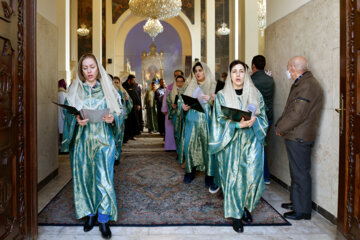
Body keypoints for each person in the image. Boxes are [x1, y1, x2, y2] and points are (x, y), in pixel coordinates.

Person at [61, 53, 123, 239]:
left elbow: (120, 113)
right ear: (81, 70)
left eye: (92, 67)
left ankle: (103, 219)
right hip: (82, 141)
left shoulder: (108, 90)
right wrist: (76, 120)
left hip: (104, 140)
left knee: (104, 178)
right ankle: (90, 215)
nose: (89, 71)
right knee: (85, 177)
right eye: (85, 68)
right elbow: (68, 114)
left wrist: (113, 119)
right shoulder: (74, 90)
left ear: (98, 68)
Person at [209, 60, 268, 233]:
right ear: (230, 75)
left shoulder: (256, 93)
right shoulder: (222, 95)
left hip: (252, 141)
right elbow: (218, 121)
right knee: (234, 178)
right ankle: (236, 215)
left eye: (241, 71)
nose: (238, 75)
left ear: (246, 73)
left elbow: (263, 117)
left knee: (252, 176)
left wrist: (255, 121)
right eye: (234, 71)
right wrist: (236, 126)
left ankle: (246, 208)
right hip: (231, 143)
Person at [275, 56, 323, 220]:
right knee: (296, 171)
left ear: (294, 68)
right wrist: (280, 124)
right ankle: (297, 202)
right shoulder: (303, 83)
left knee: (301, 173)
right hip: (296, 135)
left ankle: (302, 210)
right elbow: (292, 109)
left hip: (299, 136)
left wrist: (280, 128)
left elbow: (297, 114)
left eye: (289, 68)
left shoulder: (308, 85)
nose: (288, 71)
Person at [179, 61, 216, 186]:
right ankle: (190, 171)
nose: (198, 73)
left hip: (207, 121)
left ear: (205, 70)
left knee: (207, 146)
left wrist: (211, 99)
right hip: (191, 120)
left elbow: (222, 103)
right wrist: (182, 107)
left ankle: (209, 175)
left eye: (200, 70)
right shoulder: (191, 85)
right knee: (189, 145)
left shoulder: (214, 85)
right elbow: (181, 100)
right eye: (195, 71)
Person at [251, 55, 274, 184]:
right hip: (269, 117)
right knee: (262, 145)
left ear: (253, 66)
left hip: (257, 118)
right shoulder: (270, 80)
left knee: (257, 147)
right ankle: (266, 177)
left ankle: (263, 176)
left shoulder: (251, 80)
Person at [113, 76, 133, 165]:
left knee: (119, 136)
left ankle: (117, 156)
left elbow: (128, 104)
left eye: (117, 82)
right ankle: (112, 156)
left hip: (120, 117)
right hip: (112, 118)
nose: (116, 84)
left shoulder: (123, 92)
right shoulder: (110, 92)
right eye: (114, 82)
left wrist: (127, 101)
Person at [162, 70, 184, 151]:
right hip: (170, 111)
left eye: (178, 75)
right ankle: (170, 146)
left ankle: (180, 148)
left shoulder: (186, 86)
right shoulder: (170, 87)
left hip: (182, 111)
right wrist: (165, 108)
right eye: (175, 75)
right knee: (170, 129)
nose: (176, 77)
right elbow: (165, 99)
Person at [167, 74, 186, 156]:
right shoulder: (172, 93)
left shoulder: (187, 92)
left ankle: (185, 153)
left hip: (185, 115)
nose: (180, 83)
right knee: (177, 134)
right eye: (178, 82)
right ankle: (179, 153)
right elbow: (168, 102)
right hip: (176, 115)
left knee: (185, 134)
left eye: (181, 81)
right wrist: (172, 105)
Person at [123, 74, 142, 141]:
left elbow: (137, 95)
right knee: (128, 121)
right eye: (133, 80)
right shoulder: (124, 85)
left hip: (134, 107)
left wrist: (138, 104)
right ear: (129, 80)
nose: (134, 81)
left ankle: (133, 135)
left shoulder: (135, 86)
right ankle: (127, 135)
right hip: (127, 107)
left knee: (134, 120)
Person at [58, 79, 67, 152]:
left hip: (59, 117)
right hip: (62, 117)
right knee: (62, 134)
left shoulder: (59, 93)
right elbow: (63, 106)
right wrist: (65, 116)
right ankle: (62, 149)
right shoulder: (62, 93)